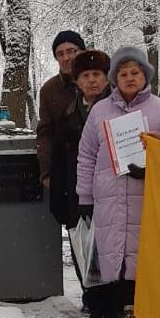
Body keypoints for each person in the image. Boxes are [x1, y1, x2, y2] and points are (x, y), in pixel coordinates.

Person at [76, 47, 160, 318]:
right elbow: (86, 155)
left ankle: (157, 316)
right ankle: (130, 315)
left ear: (145, 75)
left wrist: (154, 166)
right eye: (123, 74)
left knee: (149, 255)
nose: (129, 78)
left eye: (135, 72)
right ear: (115, 79)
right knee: (118, 259)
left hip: (148, 195)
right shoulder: (100, 111)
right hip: (110, 197)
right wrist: (84, 196)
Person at [49, 49, 111, 229]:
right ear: (77, 81)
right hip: (77, 203)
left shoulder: (120, 111)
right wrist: (59, 203)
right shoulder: (68, 116)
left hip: (113, 203)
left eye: (97, 74)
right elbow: (59, 164)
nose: (92, 80)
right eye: (85, 75)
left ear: (107, 78)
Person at [37, 30, 85, 189]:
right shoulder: (49, 90)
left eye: (71, 51)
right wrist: (47, 172)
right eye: (60, 53)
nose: (66, 58)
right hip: (67, 169)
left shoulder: (103, 81)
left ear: (82, 51)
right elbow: (46, 133)